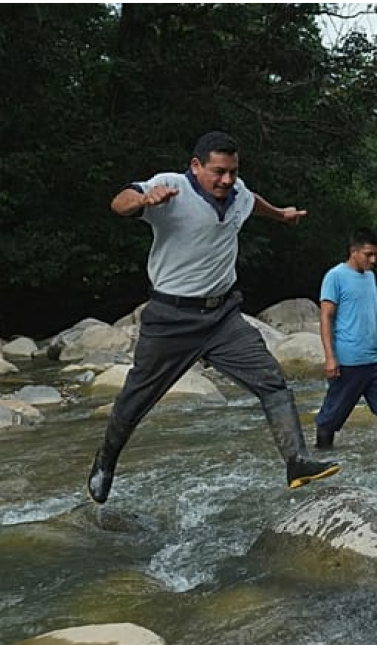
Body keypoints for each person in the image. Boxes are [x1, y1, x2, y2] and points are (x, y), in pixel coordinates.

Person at [87, 131, 341, 504]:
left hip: (223, 318)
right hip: (171, 318)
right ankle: (104, 463)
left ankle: (297, 462)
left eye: (232, 172)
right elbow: (118, 202)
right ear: (196, 166)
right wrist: (143, 200)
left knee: (272, 381)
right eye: (218, 172)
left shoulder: (237, 193)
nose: (226, 180)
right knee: (136, 399)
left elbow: (251, 202)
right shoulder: (170, 186)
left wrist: (281, 215)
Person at [314, 228, 377, 448]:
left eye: (376, 254)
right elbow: (326, 317)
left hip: (375, 360)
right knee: (330, 420)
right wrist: (330, 357)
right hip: (349, 361)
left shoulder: (370, 276)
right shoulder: (335, 276)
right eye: (368, 254)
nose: (373, 259)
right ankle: (321, 457)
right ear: (353, 251)